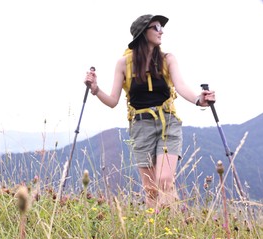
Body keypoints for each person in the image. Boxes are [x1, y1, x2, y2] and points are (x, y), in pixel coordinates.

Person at [84, 14, 216, 209]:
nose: (161, 31)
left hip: (167, 123)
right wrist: (95, 89)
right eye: (156, 27)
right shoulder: (124, 64)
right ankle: (156, 231)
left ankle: (172, 229)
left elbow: (180, 86)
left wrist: (198, 99)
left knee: (164, 180)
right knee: (151, 189)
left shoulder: (167, 59)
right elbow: (112, 101)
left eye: (161, 27)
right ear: (142, 33)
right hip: (140, 126)